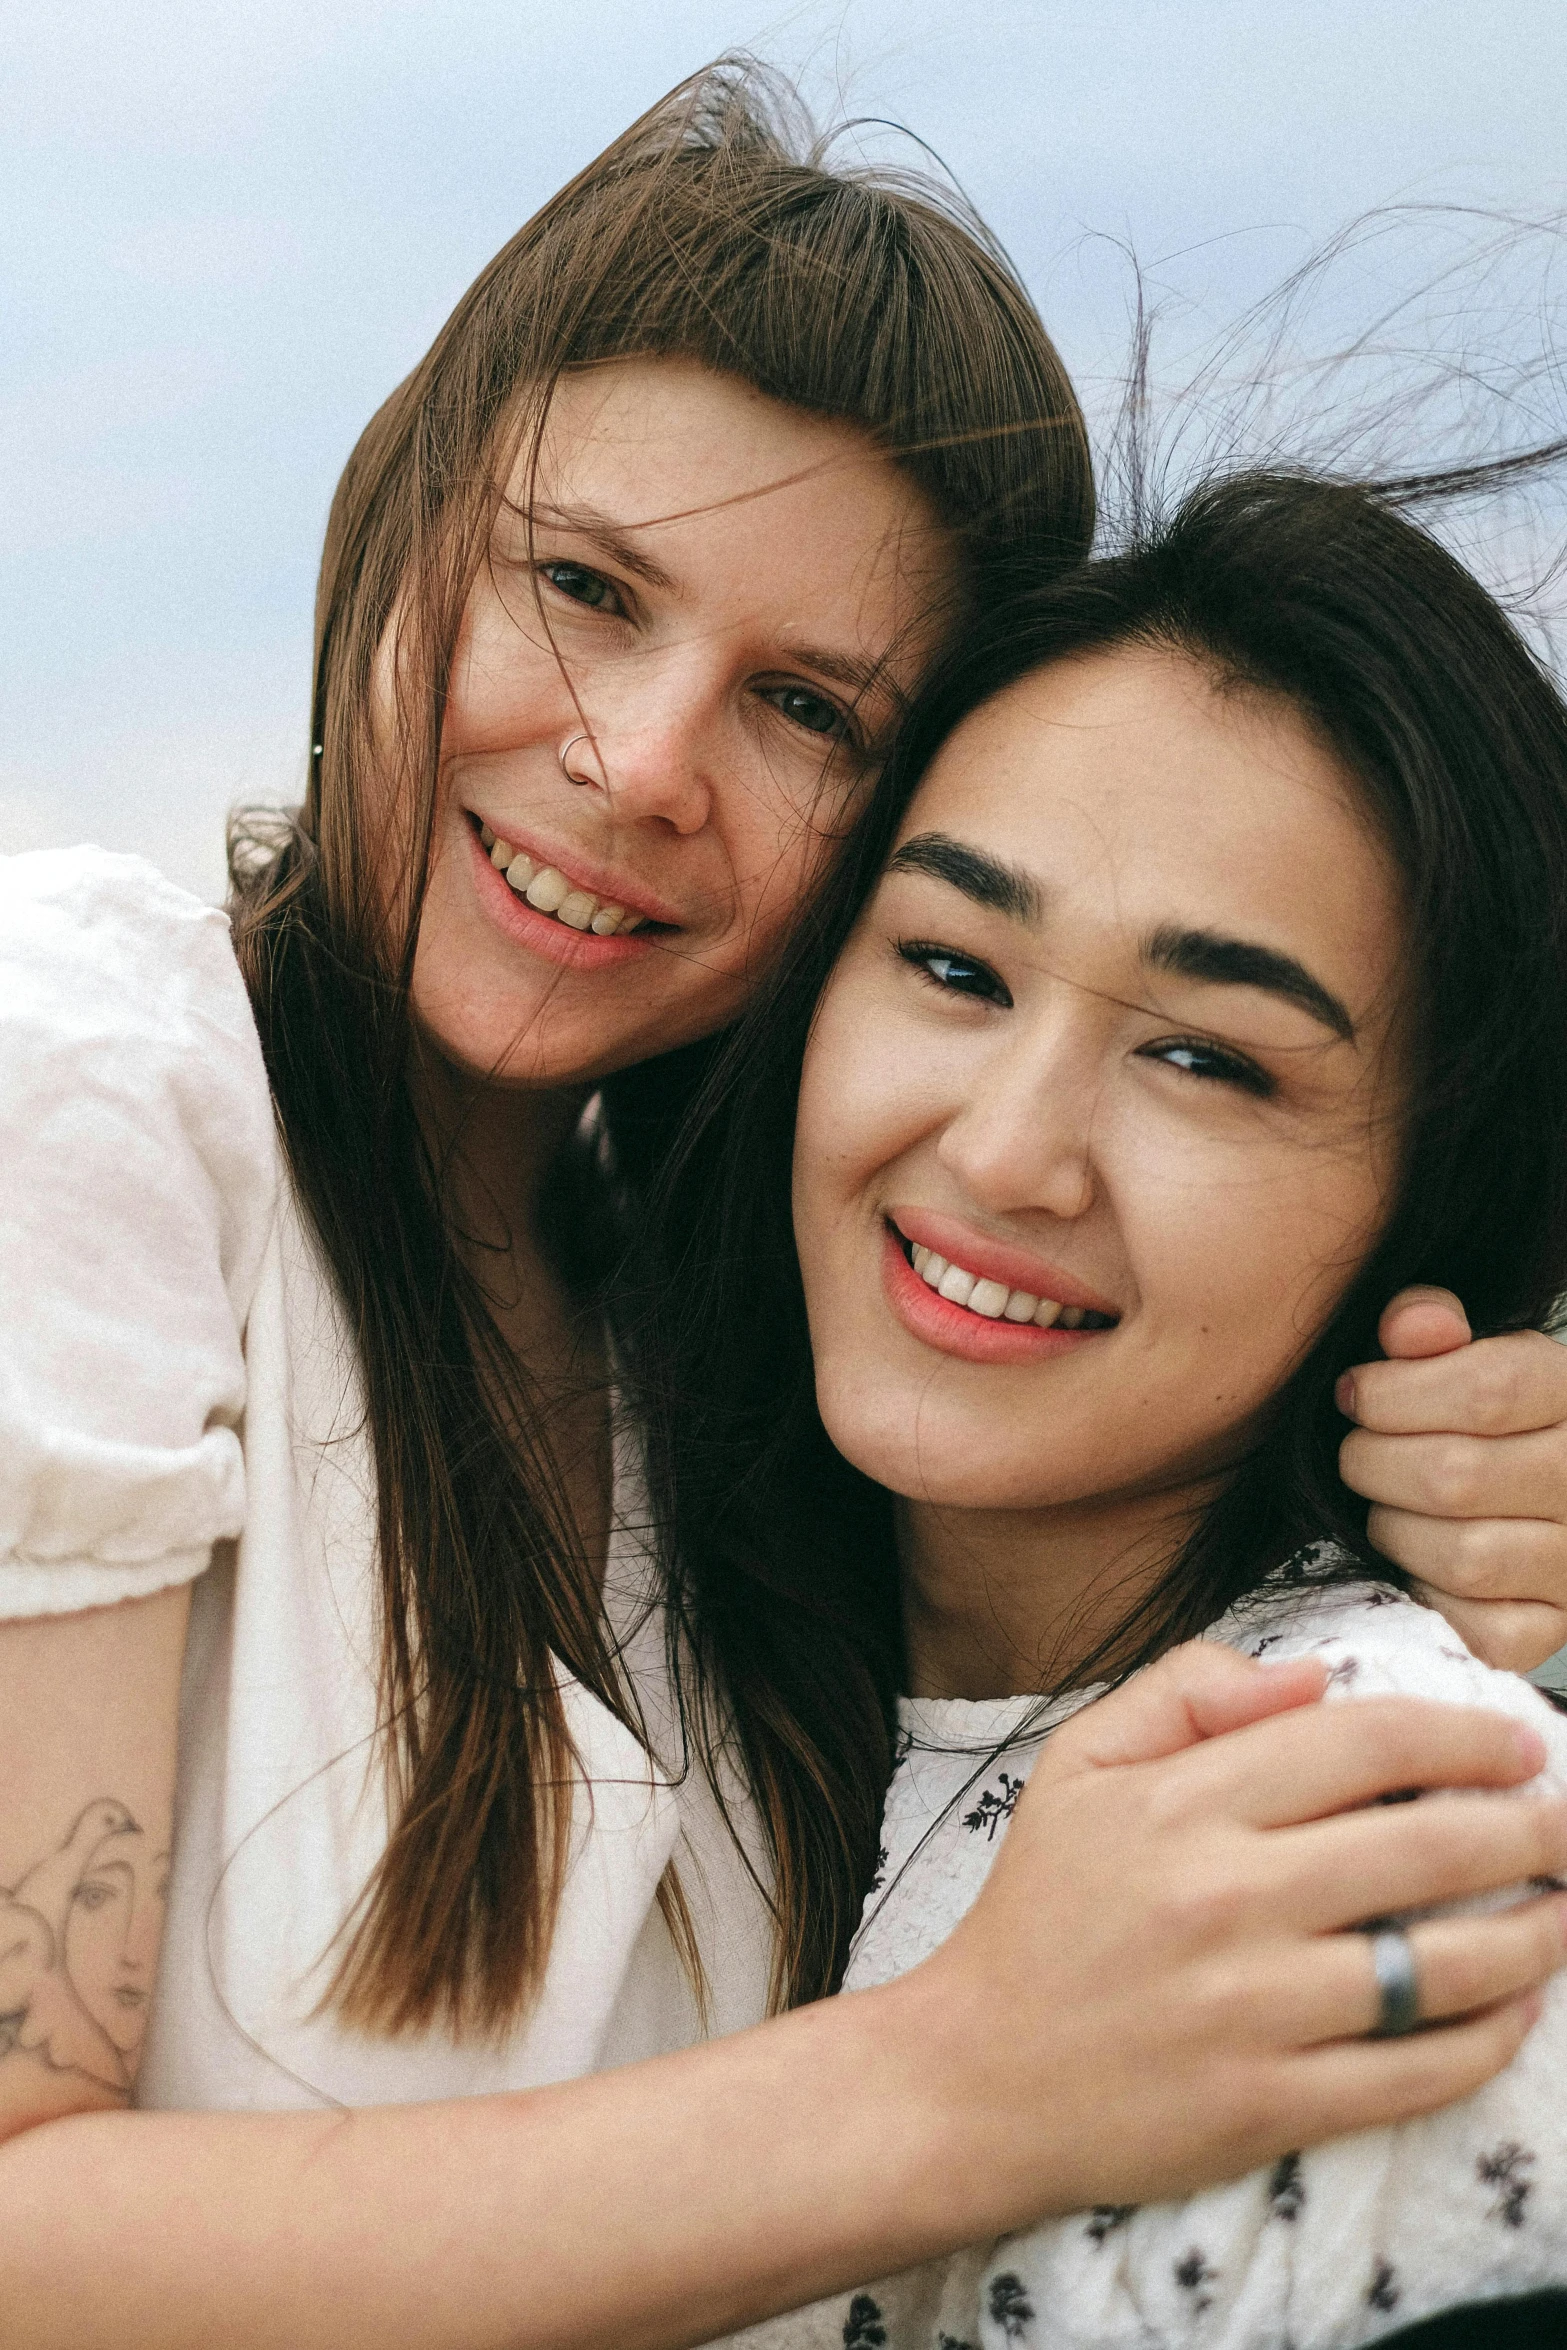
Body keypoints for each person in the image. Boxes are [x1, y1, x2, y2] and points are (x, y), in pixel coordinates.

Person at [4, 58, 1567, 2350]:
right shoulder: (98, 1072)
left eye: (809, 706)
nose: (640, 763)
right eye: (581, 584)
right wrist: (972, 2074)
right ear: (399, 504)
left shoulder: (717, 1353)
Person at [641, 469, 1567, 2345]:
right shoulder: (624, 1554)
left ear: (1432, 1193)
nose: (1005, 1150)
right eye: (952, 965)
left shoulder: (1386, 1830)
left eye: (1207, 1058)